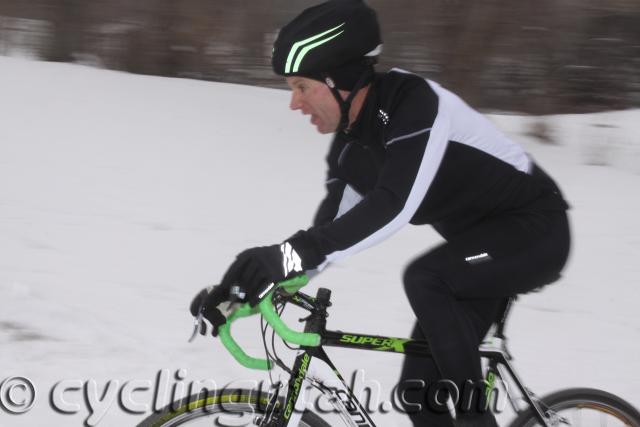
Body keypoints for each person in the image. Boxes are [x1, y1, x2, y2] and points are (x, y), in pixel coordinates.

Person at [190, 0, 571, 425]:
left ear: (338, 80)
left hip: (536, 232)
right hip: (476, 253)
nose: (294, 104)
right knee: (417, 393)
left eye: (301, 87)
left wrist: (289, 255)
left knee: (426, 278)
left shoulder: (414, 105)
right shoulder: (351, 148)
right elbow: (329, 236)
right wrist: (246, 291)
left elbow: (394, 204)